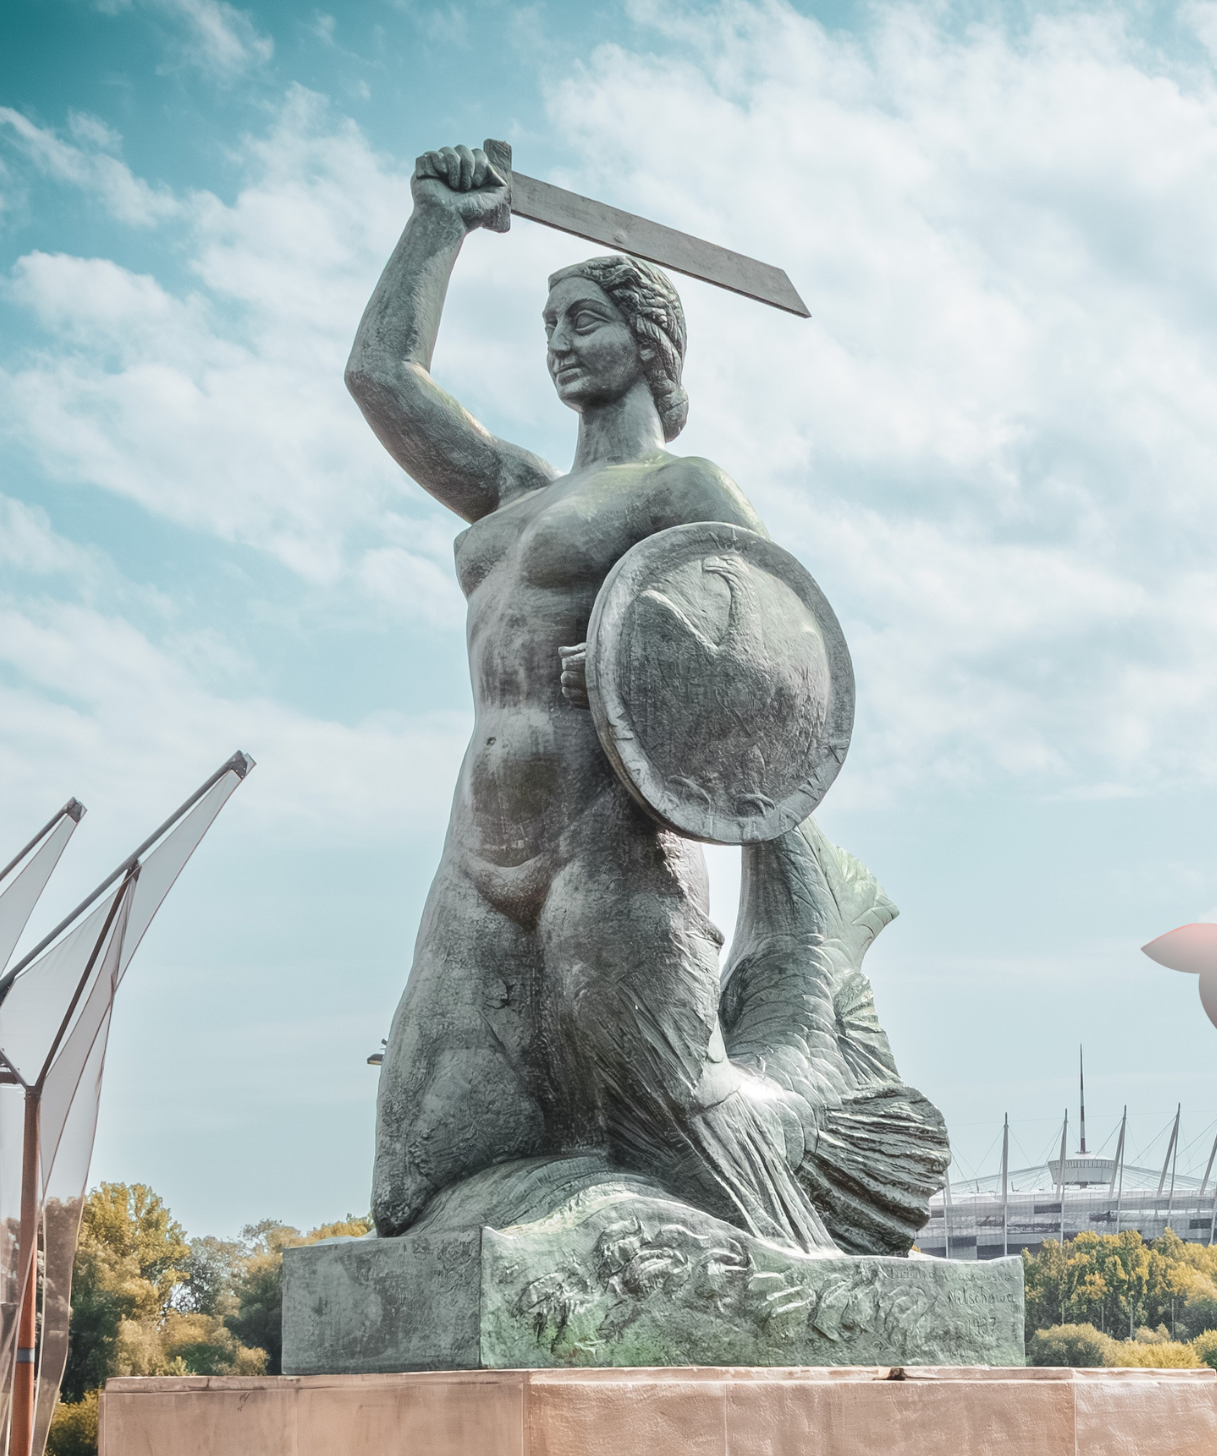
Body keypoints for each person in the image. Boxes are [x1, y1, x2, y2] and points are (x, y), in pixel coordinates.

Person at [344, 142, 940, 1253]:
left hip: (611, 860)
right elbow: (382, 379)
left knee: (706, 1162)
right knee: (414, 1185)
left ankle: (794, 1135)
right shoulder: (515, 489)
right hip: (479, 859)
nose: (563, 343)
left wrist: (642, 675)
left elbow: (772, 677)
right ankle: (580, 1221)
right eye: (552, 326)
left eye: (586, 319)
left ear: (649, 337)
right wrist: (438, 224)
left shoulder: (687, 490)